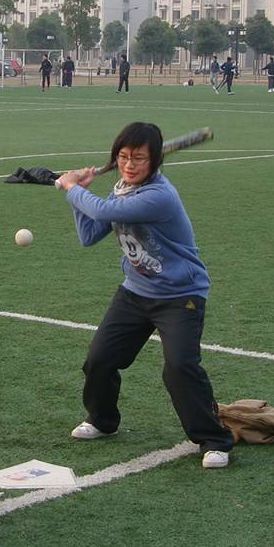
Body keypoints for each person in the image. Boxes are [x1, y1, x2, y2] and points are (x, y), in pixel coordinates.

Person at [56, 122, 234, 469]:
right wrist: (79, 197)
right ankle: (102, 420)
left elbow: (106, 213)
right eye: (123, 157)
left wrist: (71, 188)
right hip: (136, 292)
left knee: (180, 367)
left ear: (155, 161)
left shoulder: (159, 196)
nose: (129, 165)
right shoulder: (121, 189)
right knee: (99, 360)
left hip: (180, 295)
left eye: (139, 158)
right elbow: (90, 234)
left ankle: (215, 440)